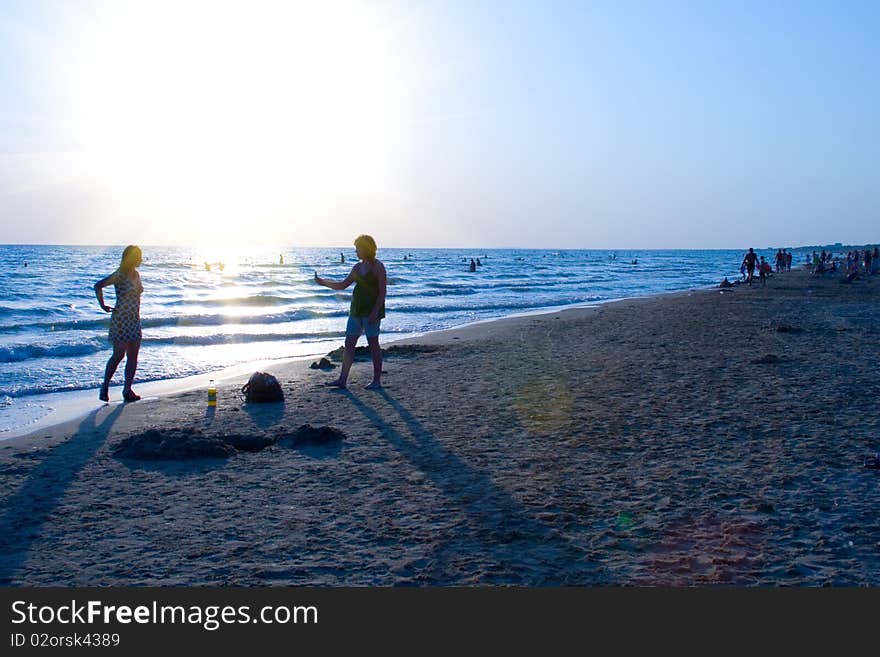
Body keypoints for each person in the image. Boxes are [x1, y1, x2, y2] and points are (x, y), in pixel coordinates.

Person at [315, 235, 386, 390]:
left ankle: (376, 381)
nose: (356, 251)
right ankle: (342, 379)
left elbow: (382, 292)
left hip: (371, 311)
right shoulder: (357, 267)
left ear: (366, 248)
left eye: (358, 248)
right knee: (349, 344)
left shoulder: (378, 266)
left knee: (373, 344)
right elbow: (342, 285)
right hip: (356, 310)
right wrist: (323, 282)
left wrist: (375, 312)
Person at [94, 245, 144, 402]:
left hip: (134, 319)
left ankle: (127, 390)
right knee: (118, 354)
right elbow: (98, 285)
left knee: (133, 355)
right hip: (121, 319)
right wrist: (102, 305)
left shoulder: (136, 274)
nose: (139, 259)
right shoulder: (119, 275)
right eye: (137, 256)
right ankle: (105, 387)